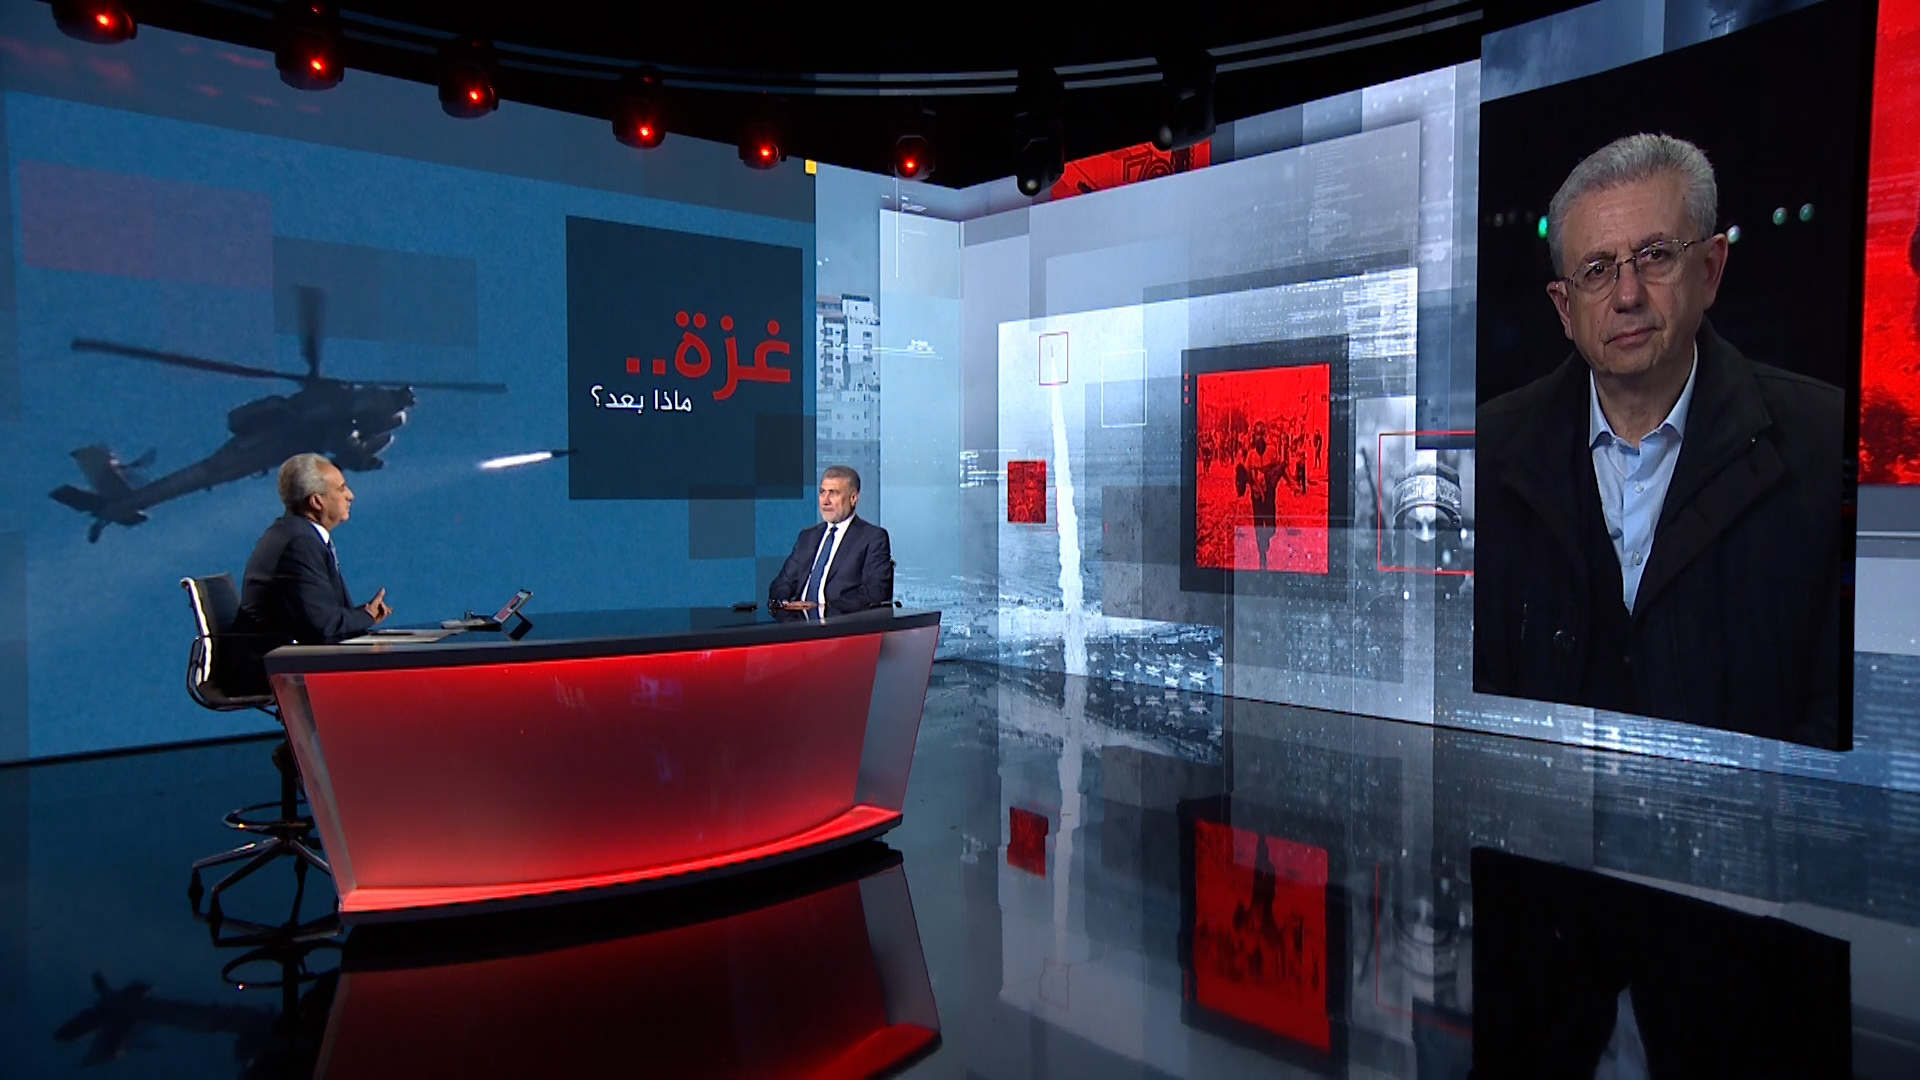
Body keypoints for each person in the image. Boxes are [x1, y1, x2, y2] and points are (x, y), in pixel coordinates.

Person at [1475, 133, 1843, 746]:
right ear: (1564, 309)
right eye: (1597, 270)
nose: (1627, 296)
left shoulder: (1826, 443)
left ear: (1710, 270)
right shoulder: (1486, 455)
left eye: (1654, 256)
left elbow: (1840, 714)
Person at [225, 454, 391, 693]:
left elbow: (321, 618)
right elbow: (323, 626)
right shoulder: (299, 543)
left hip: (283, 658)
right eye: (341, 489)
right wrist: (365, 616)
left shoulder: (296, 533)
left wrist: (363, 616)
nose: (350, 495)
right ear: (316, 501)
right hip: (270, 667)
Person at [768, 465, 894, 613]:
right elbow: (782, 583)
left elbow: (875, 591)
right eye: (822, 492)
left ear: (853, 498)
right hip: (797, 620)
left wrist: (822, 608)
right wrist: (784, 602)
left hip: (840, 621)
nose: (825, 501)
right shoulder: (807, 536)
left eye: (833, 493)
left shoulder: (872, 538)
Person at [1234, 421, 1287, 570]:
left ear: (1266, 435)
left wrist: (1292, 483)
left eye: (1262, 434)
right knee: (1258, 525)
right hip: (1256, 496)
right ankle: (1262, 555)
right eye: (1257, 434)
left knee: (1271, 526)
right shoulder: (1251, 455)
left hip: (1270, 495)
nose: (1260, 437)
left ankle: (1266, 539)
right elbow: (1247, 475)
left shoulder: (1272, 451)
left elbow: (1281, 469)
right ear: (1254, 435)